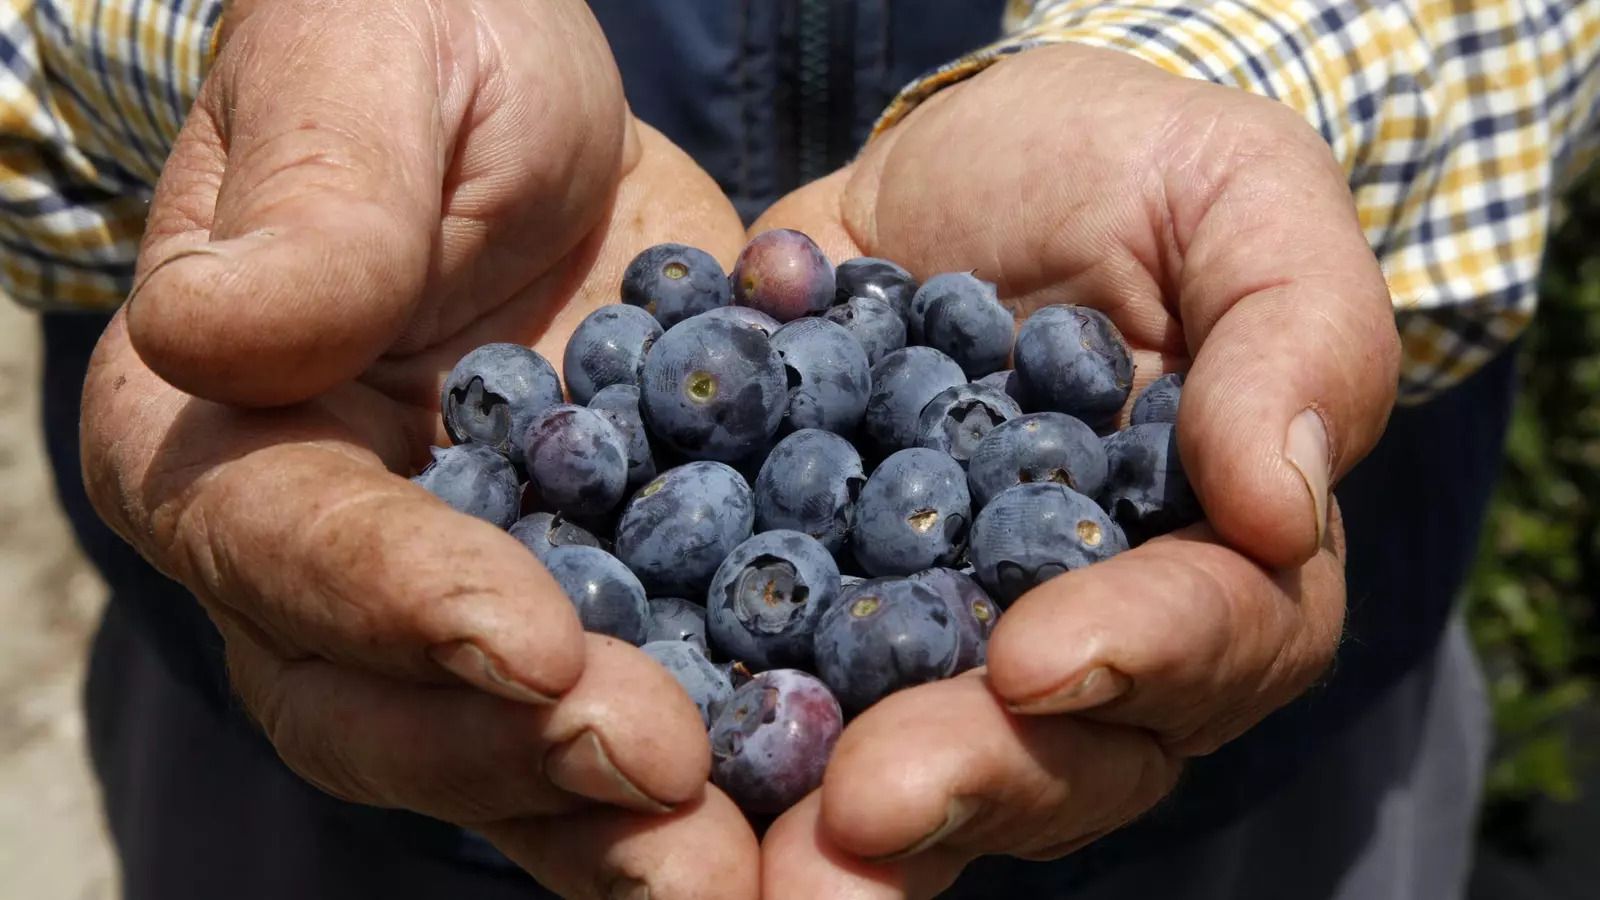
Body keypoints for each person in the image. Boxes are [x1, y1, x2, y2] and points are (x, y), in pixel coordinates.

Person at [5, 0, 1595, 897]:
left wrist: (1227, 76)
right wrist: (281, 60)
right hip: (333, 748)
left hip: (1243, 799)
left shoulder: (995, 446)